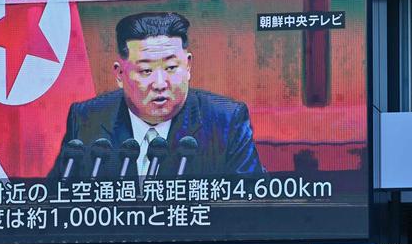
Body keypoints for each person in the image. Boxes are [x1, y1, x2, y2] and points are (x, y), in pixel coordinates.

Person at [49, 12, 264, 179]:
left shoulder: (226, 121)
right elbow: (55, 203)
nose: (160, 84)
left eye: (171, 67)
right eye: (145, 71)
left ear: (188, 66)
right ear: (119, 73)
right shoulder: (87, 118)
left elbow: (252, 210)